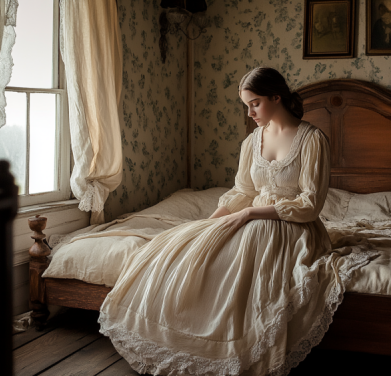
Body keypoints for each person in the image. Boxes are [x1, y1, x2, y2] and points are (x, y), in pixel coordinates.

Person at [98, 67, 376, 375]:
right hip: (250, 217)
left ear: (276, 97)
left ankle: (241, 346)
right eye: (246, 105)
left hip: (294, 228)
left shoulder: (312, 139)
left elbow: (310, 205)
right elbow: (243, 192)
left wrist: (251, 213)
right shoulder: (252, 141)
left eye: (254, 103)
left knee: (251, 250)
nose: (249, 112)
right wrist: (210, 225)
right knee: (189, 248)